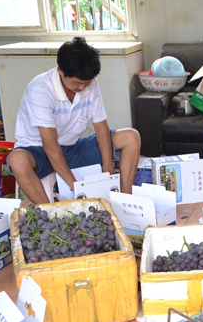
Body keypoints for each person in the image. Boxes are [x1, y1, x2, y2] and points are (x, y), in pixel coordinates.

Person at [8, 37, 141, 204]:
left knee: (131, 137)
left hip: (74, 148)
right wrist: (77, 188)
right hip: (40, 152)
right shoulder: (40, 89)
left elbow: (101, 128)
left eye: (87, 83)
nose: (83, 88)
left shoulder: (89, 83)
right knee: (17, 160)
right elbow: (50, 146)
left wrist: (108, 170)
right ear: (61, 71)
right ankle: (50, 212)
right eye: (78, 83)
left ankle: (124, 201)